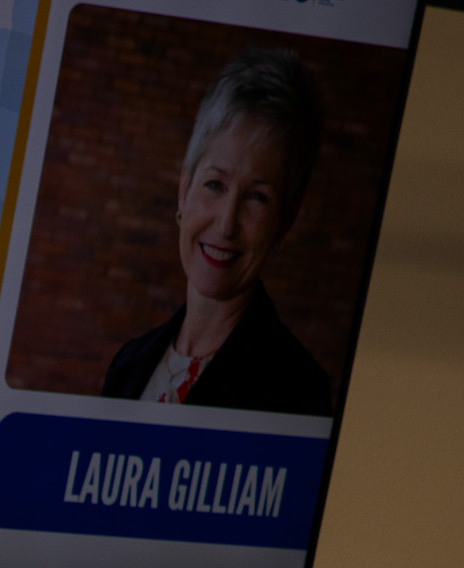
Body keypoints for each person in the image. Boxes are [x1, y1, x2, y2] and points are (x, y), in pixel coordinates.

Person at [102, 48, 333, 417]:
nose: (226, 224)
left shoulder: (298, 392)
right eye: (214, 185)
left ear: (286, 220)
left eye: (258, 197)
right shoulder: (127, 366)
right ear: (184, 189)